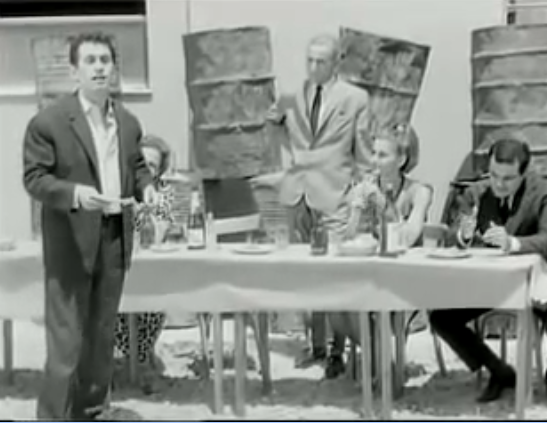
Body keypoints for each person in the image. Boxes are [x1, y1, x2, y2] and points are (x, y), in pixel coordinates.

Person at [23, 32, 155, 421]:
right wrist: (76, 195)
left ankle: (93, 411)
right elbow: (35, 179)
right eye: (90, 61)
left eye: (105, 61)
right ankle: (53, 416)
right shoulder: (48, 122)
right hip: (71, 239)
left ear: (114, 69)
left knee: (101, 334)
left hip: (114, 237)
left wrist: (149, 189)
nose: (99, 68)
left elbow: (137, 167)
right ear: (74, 71)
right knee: (66, 341)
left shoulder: (128, 122)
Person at [252, 33, 372, 371]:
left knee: (333, 273)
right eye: (310, 60)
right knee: (306, 273)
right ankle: (316, 345)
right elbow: (273, 127)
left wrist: (361, 197)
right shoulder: (291, 96)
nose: (314, 67)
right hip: (297, 194)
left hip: (335, 194)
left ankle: (337, 351)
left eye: (321, 61)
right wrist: (286, 155)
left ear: (336, 63)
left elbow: (364, 153)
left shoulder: (355, 99)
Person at [430, 138, 547, 403]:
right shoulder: (476, 194)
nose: (498, 184)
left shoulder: (541, 193)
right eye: (494, 175)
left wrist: (513, 243)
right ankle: (499, 371)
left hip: (536, 283)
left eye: (507, 178)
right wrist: (463, 235)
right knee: (442, 319)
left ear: (524, 174)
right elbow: (450, 237)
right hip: (491, 284)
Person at [330, 124, 432, 379]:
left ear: (402, 159)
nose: (374, 161)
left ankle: (380, 364)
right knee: (335, 299)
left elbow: (408, 238)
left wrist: (383, 205)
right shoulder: (366, 187)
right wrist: (356, 211)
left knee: (355, 299)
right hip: (371, 273)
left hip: (405, 276)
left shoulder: (419, 192)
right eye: (373, 153)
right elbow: (348, 238)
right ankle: (380, 358)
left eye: (382, 155)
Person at [114, 134, 174, 391]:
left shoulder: (164, 195)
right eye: (143, 164)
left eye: (153, 165)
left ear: (159, 170)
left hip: (151, 271)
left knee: (155, 299)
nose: (147, 170)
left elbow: (161, 231)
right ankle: (138, 360)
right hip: (119, 268)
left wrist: (146, 213)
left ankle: (139, 358)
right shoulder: (118, 191)